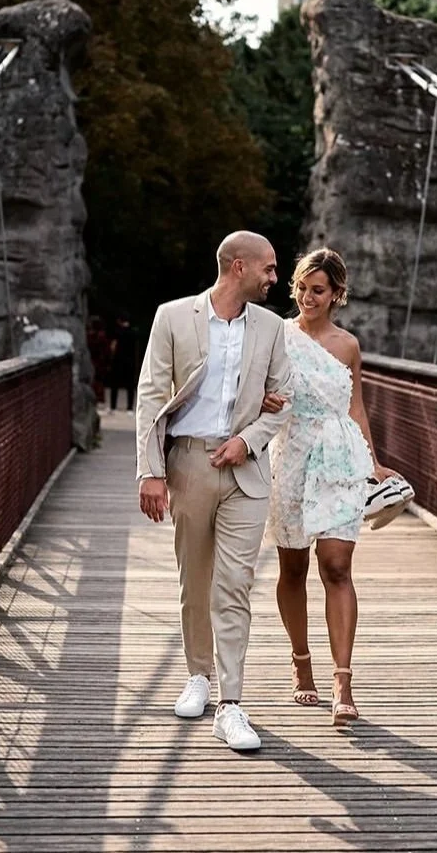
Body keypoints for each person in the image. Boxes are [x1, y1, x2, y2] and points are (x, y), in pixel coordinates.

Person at [135, 231, 293, 752]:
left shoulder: (272, 328)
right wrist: (150, 472)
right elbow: (151, 395)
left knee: (233, 587)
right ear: (238, 266)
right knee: (194, 580)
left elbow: (285, 398)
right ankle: (198, 676)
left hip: (245, 472)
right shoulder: (173, 317)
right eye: (269, 269)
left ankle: (230, 704)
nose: (276, 278)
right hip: (187, 464)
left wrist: (247, 442)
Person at [264, 248, 399, 726]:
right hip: (292, 453)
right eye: (300, 287)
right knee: (294, 566)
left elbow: (355, 407)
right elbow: (254, 392)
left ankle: (344, 682)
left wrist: (374, 462)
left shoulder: (348, 345)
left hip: (339, 457)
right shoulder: (277, 336)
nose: (306, 297)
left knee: (337, 565)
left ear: (337, 294)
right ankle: (303, 667)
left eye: (317, 290)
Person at [109, 314, 137, 412]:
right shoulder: (133, 333)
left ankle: (113, 407)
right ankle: (129, 408)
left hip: (118, 360)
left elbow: (113, 346)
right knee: (130, 385)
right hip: (130, 361)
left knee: (115, 384)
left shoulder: (117, 332)